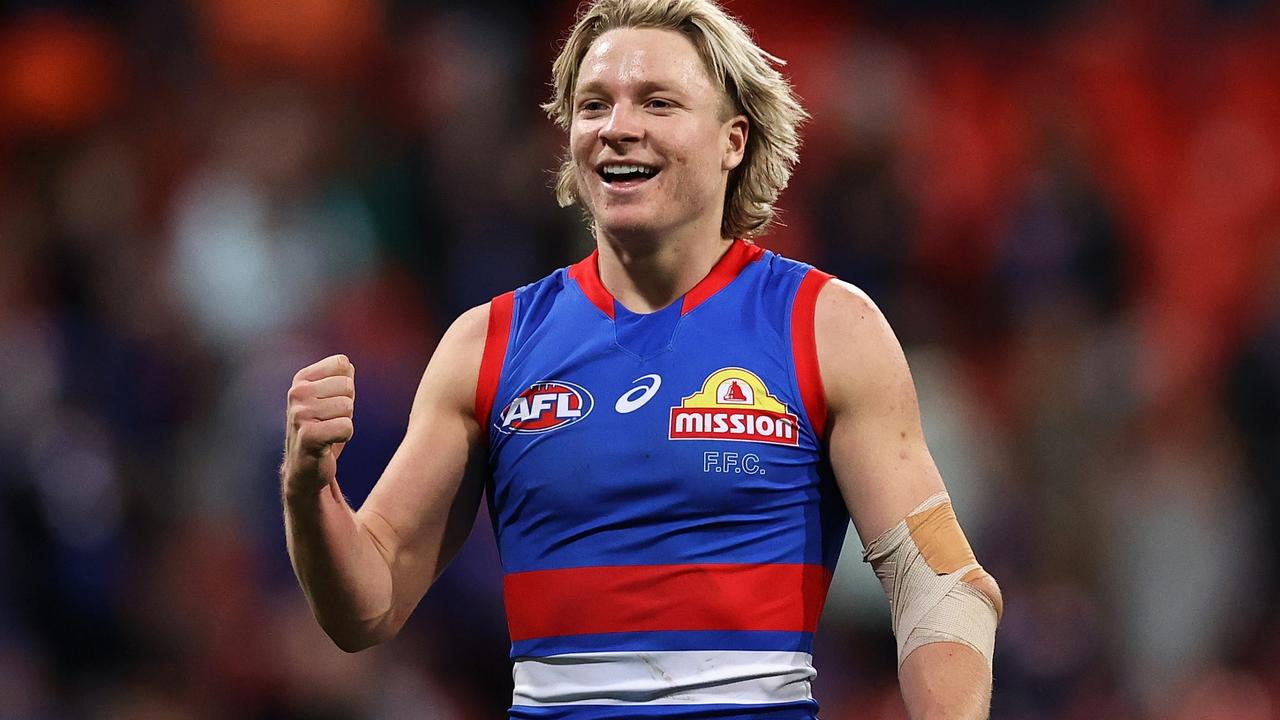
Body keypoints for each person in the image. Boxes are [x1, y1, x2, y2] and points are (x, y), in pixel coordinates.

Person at [280, 0, 1003, 717]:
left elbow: (940, 586)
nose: (619, 128)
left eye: (658, 103)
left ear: (733, 140)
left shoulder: (826, 329)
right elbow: (366, 606)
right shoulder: (488, 345)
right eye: (594, 105)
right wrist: (310, 492)